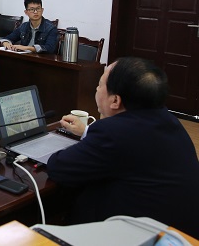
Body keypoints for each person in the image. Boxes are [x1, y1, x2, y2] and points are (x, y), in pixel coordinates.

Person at [47, 58, 199, 237]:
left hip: (144, 237)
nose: (96, 89)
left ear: (115, 100)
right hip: (181, 234)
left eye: (100, 84)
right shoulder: (168, 120)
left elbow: (59, 167)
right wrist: (88, 132)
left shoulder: (113, 132)